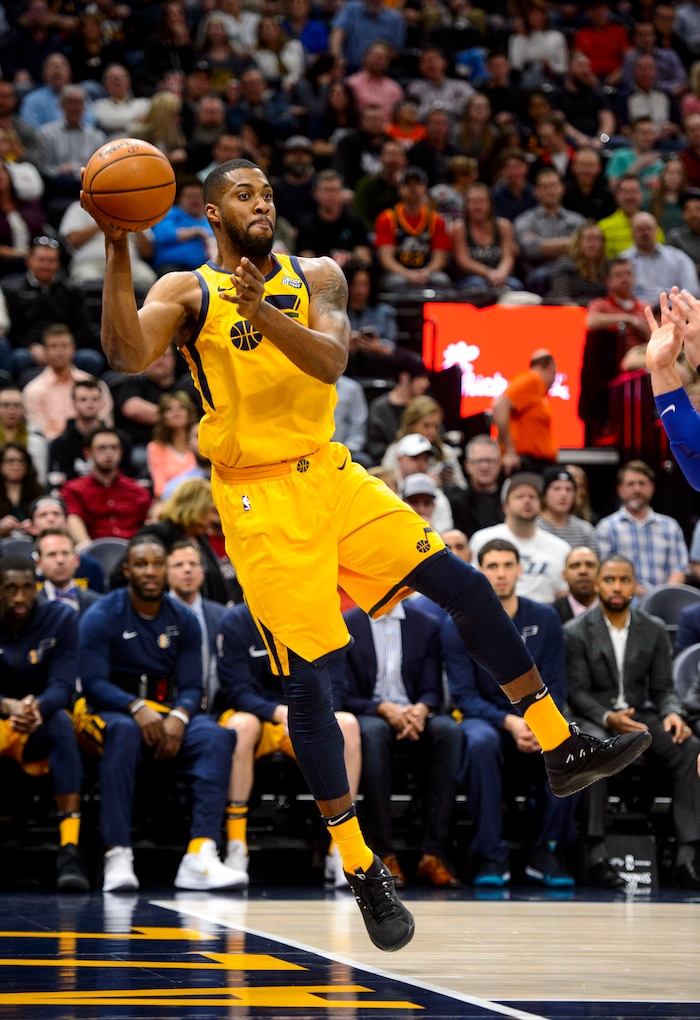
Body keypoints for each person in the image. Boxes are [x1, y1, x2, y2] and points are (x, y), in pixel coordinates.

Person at [82, 154, 652, 952]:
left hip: (331, 470)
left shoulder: (317, 274)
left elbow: (332, 360)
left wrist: (268, 315)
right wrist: (115, 245)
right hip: (257, 497)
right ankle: (360, 864)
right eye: (243, 194)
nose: (261, 202)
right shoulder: (187, 292)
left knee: (462, 583)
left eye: (267, 192)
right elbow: (122, 354)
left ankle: (560, 743)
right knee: (310, 682)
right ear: (212, 214)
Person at [77, 534, 244, 892]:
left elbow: (191, 686)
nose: (150, 572)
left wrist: (179, 718)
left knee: (215, 736)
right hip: (109, 710)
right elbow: (92, 682)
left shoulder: (184, 619)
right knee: (121, 733)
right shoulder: (103, 614)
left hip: (165, 714)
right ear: (127, 570)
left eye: (157, 564)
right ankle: (117, 855)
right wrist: (136, 707)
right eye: (141, 564)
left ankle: (200, 855)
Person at [442, 539, 576, 888]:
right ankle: (492, 854)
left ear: (519, 570)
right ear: (480, 571)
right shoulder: (458, 622)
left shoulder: (545, 618)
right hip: (487, 718)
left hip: (536, 715)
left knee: (569, 740)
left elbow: (557, 687)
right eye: (492, 566)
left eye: (507, 566)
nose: (500, 574)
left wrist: (536, 723)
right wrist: (511, 722)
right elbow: (464, 697)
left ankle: (548, 851)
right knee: (480, 743)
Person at [564, 554, 700, 889]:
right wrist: (609, 717)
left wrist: (672, 713)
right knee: (593, 747)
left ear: (634, 585)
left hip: (640, 715)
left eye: (624, 580)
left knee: (688, 746)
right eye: (609, 579)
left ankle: (687, 855)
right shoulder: (575, 630)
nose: (616, 586)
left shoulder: (652, 628)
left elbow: (664, 688)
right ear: (598, 583)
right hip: (596, 715)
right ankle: (596, 853)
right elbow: (576, 693)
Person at [214, 600, 361, 888]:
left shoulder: (322, 614)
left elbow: (338, 687)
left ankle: (343, 851)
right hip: (263, 717)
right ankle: (236, 846)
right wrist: (275, 712)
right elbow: (235, 689)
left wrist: (304, 713)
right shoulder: (237, 620)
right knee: (240, 726)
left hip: (306, 717)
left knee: (349, 725)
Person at [343, 598, 463, 888]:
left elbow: (432, 689)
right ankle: (383, 853)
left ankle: (432, 854)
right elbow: (341, 694)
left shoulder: (426, 624)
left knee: (449, 731)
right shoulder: (346, 623)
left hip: (414, 713)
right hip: (368, 712)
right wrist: (384, 709)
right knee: (373, 734)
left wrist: (420, 709)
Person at [0, 553, 88, 891]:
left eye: (27, 588)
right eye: (10, 589)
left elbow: (64, 685)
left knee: (63, 725)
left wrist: (36, 706)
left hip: (40, 719)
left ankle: (70, 849)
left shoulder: (60, 618)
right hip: (3, 717)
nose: (20, 597)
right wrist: (6, 706)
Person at [2, 236, 100, 379]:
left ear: (58, 263)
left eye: (51, 261)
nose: (46, 265)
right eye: (41, 260)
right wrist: (32, 346)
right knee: (20, 358)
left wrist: (67, 348)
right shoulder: (13, 291)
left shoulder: (71, 291)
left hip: (66, 347)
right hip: (31, 348)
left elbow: (84, 328)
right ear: (29, 261)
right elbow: (12, 331)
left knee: (91, 358)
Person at [470, 472, 570, 605]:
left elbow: (563, 594)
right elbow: (472, 586)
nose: (527, 500)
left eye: (533, 496)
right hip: (493, 613)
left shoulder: (560, 547)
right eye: (519, 496)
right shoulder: (482, 539)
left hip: (544, 617)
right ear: (505, 507)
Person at [595, 460, 689, 596]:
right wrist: (639, 594)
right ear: (620, 490)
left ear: (652, 488)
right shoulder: (607, 527)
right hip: (623, 600)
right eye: (631, 484)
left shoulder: (670, 526)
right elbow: (605, 571)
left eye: (642, 483)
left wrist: (661, 598)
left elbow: (679, 569)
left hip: (664, 600)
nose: (637, 489)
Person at [61, 426, 152, 548]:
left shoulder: (138, 491)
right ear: (88, 453)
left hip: (132, 552)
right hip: (93, 551)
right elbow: (74, 519)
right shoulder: (74, 489)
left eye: (114, 448)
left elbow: (149, 523)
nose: (109, 453)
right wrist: (86, 546)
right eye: (102, 448)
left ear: (120, 452)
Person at [21, 324, 112, 445]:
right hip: (54, 446)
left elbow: (104, 421)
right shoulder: (33, 389)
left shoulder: (95, 384)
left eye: (64, 346)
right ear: (45, 351)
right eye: (53, 346)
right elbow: (38, 429)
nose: (59, 351)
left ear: (73, 349)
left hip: (93, 443)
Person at [166, 539, 226, 712]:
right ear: (166, 572)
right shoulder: (156, 613)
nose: (187, 569)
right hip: (168, 706)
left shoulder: (222, 616)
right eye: (178, 565)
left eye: (193, 564)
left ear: (202, 571)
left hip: (217, 706)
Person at [374, 165, 452, 292]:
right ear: (399, 189)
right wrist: (408, 274)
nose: (413, 188)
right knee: (394, 283)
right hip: (399, 272)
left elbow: (440, 257)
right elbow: (386, 259)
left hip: (427, 271)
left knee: (442, 281)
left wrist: (426, 272)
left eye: (417, 184)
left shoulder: (436, 220)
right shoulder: (387, 218)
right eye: (407, 184)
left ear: (424, 188)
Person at [513, 167, 585, 295]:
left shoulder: (577, 220)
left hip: (573, 270)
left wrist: (544, 245)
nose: (550, 191)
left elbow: (586, 247)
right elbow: (531, 249)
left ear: (562, 189)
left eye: (553, 186)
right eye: (544, 187)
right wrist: (573, 243)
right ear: (536, 192)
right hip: (540, 271)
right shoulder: (525, 220)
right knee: (542, 275)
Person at [48, 377, 133, 483]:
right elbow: (57, 479)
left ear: (103, 403)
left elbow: (128, 475)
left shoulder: (120, 439)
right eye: (83, 399)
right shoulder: (60, 443)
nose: (90, 404)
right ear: (74, 404)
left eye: (95, 399)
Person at [492, 348, 559, 475]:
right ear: (551, 367)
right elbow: (500, 405)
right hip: (527, 464)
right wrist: (510, 450)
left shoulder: (538, 390)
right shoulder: (533, 380)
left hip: (537, 464)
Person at [451, 182, 521, 292]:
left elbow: (508, 257)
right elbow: (463, 260)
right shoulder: (459, 228)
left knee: (515, 285)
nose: (477, 206)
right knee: (477, 285)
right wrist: (488, 273)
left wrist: (501, 273)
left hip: (500, 275)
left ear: (490, 204)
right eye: (473, 202)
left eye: (481, 201)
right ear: (466, 205)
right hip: (471, 277)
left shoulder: (504, 226)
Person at [29, 494, 105, 593]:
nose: (51, 519)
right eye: (43, 515)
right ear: (32, 527)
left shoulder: (90, 567)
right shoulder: (23, 569)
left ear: (66, 523)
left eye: (56, 514)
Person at [621, 212, 700, 308]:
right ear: (632, 233)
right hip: (636, 314)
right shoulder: (622, 260)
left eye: (649, 228)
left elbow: (692, 292)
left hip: (675, 311)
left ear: (657, 230)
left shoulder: (678, 257)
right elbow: (619, 295)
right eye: (640, 229)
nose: (645, 233)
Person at [296, 170, 371, 265]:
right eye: (327, 190)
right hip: (319, 273)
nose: (331, 195)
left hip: (349, 270)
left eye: (335, 190)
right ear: (316, 193)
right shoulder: (306, 224)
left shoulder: (355, 222)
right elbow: (305, 262)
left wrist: (348, 258)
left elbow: (364, 258)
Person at [446, 434, 504, 539]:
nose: (485, 467)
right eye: (479, 461)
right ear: (467, 466)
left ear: (500, 464)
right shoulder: (456, 502)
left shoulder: (509, 500)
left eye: (490, 461)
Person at [34, 526, 102, 615]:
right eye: (52, 554)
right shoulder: (32, 606)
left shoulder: (98, 603)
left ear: (76, 560)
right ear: (39, 564)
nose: (60, 560)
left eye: (65, 553)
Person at [146, 391, 198, 499]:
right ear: (163, 416)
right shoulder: (155, 448)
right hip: (172, 502)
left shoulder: (200, 443)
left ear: (189, 412)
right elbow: (160, 489)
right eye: (169, 409)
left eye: (182, 407)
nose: (176, 412)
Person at [545, 221, 608, 307]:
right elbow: (562, 298)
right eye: (589, 239)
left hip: (602, 314)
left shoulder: (607, 267)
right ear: (578, 242)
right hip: (573, 311)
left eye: (597, 239)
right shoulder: (566, 265)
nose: (593, 244)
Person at [537, 466, 598, 552]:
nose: (563, 494)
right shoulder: (533, 528)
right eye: (556, 488)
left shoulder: (586, 531)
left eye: (569, 489)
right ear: (544, 494)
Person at [0, 442, 44, 539]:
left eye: (21, 461)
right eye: (10, 461)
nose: (16, 466)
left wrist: (35, 524)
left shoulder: (38, 491)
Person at [553, 545, 600, 624]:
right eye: (574, 566)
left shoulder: (615, 609)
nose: (583, 571)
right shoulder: (552, 615)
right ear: (564, 575)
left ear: (600, 572)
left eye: (590, 565)